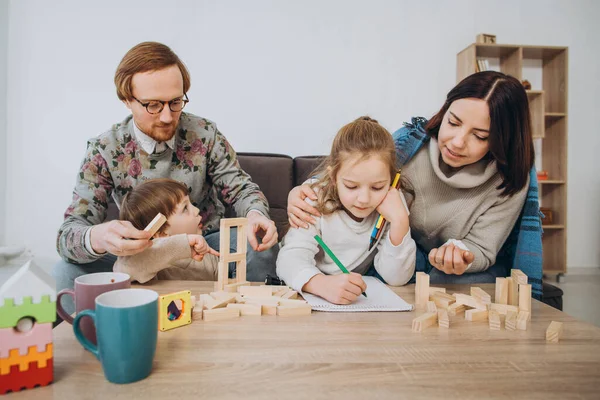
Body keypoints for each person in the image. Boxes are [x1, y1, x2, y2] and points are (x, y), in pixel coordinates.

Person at [54, 42, 279, 313]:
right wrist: (99, 237)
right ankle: (87, 338)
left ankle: (253, 327)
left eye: (175, 102)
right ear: (126, 99)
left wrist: (256, 214)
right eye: (152, 105)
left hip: (206, 244)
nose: (167, 116)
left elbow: (241, 189)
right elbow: (68, 233)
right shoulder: (104, 149)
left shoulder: (204, 133)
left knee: (257, 244)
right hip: (139, 255)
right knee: (67, 270)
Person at [287, 71, 543, 298]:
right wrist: (304, 191)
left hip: (424, 264)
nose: (456, 142)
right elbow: (353, 168)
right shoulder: (409, 145)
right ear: (443, 112)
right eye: (452, 123)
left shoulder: (509, 181)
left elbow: (484, 248)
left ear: (502, 141)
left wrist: (463, 254)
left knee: (450, 285)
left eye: (480, 136)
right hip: (402, 257)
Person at [277, 116, 416, 305]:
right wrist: (321, 284)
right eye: (351, 186)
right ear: (333, 177)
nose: (364, 199)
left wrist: (400, 222)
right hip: (310, 292)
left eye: (377, 187)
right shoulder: (312, 199)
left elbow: (396, 278)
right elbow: (289, 259)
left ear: (392, 181)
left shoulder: (392, 204)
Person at [114, 178, 220, 283]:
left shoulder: (208, 257)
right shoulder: (152, 267)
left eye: (190, 204)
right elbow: (125, 269)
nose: (197, 210)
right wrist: (183, 243)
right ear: (162, 234)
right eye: (185, 208)